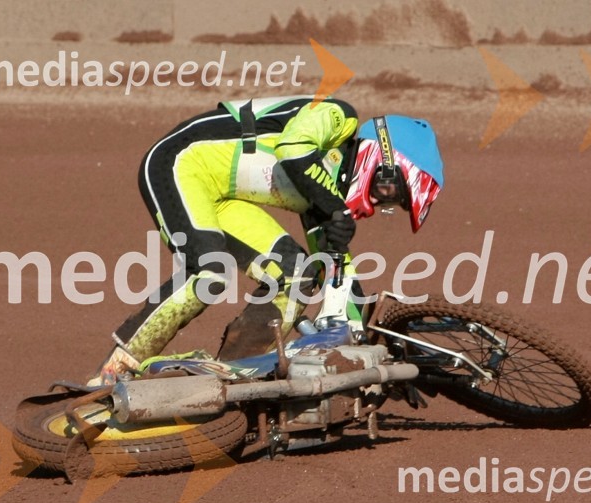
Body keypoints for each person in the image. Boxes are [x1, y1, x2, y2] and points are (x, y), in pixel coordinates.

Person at [90, 95, 445, 386]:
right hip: (180, 162)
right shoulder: (339, 116)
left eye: (391, 204)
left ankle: (232, 377)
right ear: (383, 161)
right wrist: (335, 209)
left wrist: (374, 350)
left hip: (223, 196)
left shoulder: (325, 194)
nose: (382, 204)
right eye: (389, 192)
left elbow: (338, 273)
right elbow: (293, 149)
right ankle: (112, 373)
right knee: (211, 273)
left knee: (301, 275)